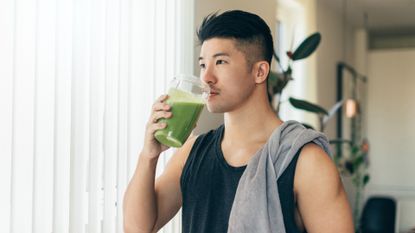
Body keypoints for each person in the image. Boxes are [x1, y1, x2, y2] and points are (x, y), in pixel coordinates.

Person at [123, 10, 354, 233]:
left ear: (260, 72)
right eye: (203, 64)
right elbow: (138, 228)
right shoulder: (192, 152)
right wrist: (149, 155)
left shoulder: (306, 161)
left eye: (220, 62)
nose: (206, 77)